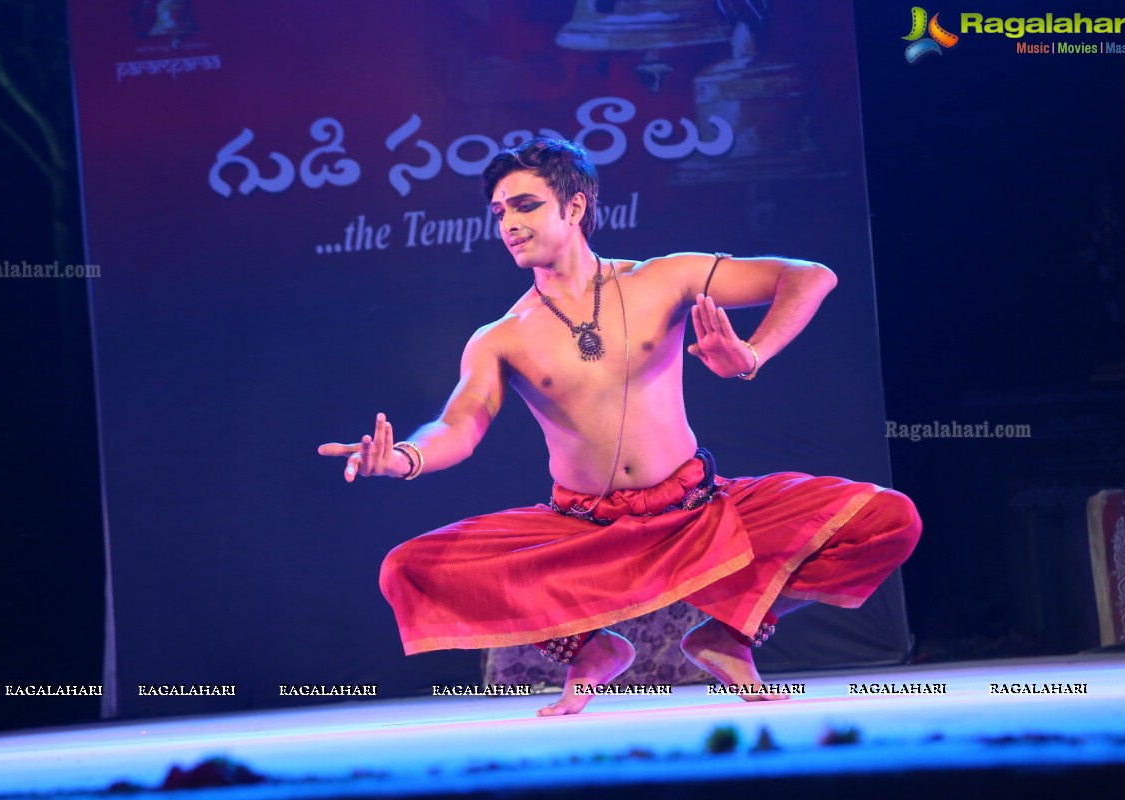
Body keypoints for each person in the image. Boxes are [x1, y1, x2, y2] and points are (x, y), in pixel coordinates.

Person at [320, 137, 921, 716]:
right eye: (499, 211)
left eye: (526, 206)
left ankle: (729, 634)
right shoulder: (501, 337)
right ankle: (593, 649)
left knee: (888, 518)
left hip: (697, 508)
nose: (508, 223)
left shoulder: (663, 278)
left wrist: (753, 355)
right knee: (408, 568)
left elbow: (809, 275)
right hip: (584, 528)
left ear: (575, 206)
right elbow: (459, 422)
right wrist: (403, 456)